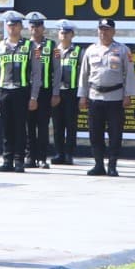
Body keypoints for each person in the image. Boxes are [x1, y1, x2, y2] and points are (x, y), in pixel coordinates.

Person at [80, 18, 135, 176]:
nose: (103, 32)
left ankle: (112, 165)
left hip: (115, 97)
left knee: (115, 133)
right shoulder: (90, 50)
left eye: (107, 29)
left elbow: (129, 74)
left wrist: (128, 95)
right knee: (95, 133)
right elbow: (84, 75)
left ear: (113, 31)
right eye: (101, 29)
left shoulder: (123, 50)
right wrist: (82, 96)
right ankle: (98, 164)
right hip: (95, 96)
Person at [0, 17, 36, 172]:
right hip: (4, 91)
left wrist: (34, 96)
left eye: (15, 26)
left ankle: (19, 160)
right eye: (10, 26)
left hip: (21, 91)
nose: (12, 29)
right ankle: (7, 159)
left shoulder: (31, 46)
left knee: (20, 128)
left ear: (21, 27)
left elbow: (37, 73)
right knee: (7, 128)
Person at [24, 14, 58, 167]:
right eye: (32, 26)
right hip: (28, 91)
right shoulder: (24, 45)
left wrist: (56, 92)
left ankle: (42, 158)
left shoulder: (52, 46)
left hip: (45, 91)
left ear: (43, 28)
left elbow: (57, 71)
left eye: (38, 26)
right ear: (28, 28)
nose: (35, 29)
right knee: (29, 125)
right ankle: (30, 157)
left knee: (43, 126)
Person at [49, 22, 84, 167]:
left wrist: (82, 94)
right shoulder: (53, 51)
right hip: (56, 92)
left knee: (71, 125)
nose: (64, 35)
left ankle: (69, 154)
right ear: (58, 34)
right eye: (62, 33)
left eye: (67, 33)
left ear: (72, 35)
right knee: (57, 125)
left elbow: (84, 74)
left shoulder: (79, 51)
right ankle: (59, 153)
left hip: (71, 92)